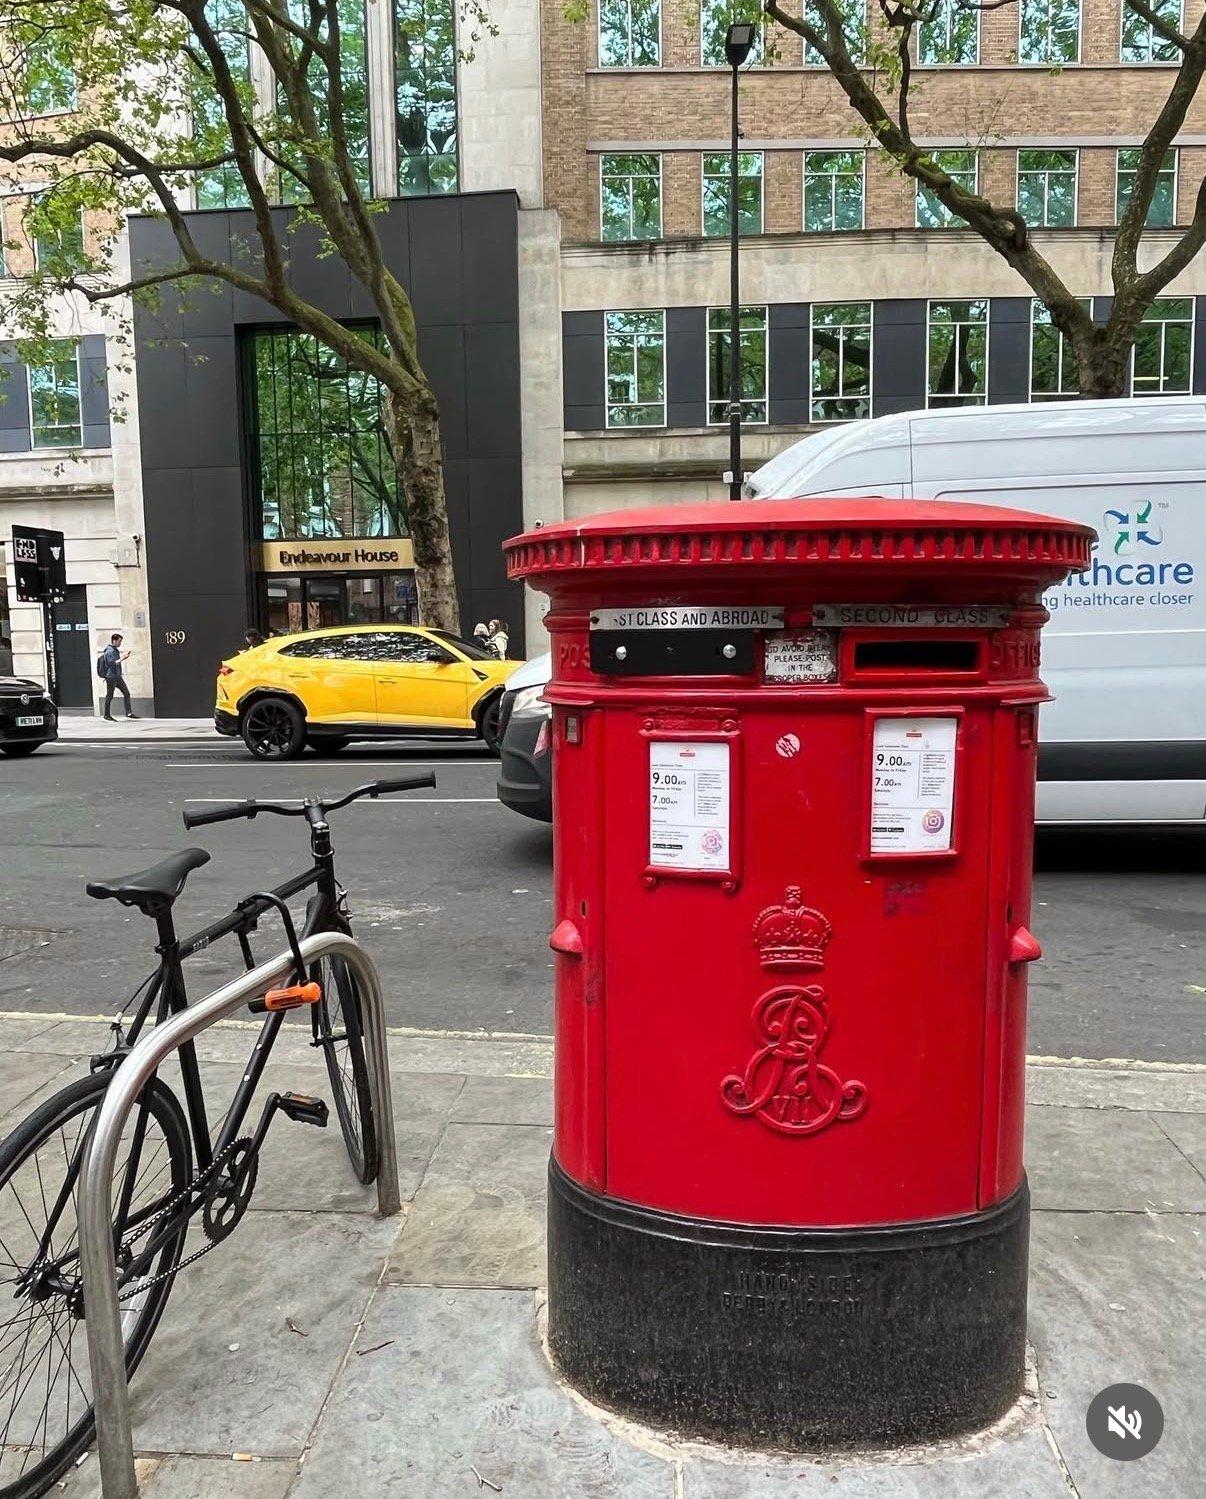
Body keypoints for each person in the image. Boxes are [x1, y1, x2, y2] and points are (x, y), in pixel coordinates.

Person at [100, 632, 137, 720]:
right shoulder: (109, 651)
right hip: (111, 677)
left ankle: (128, 713)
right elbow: (112, 663)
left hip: (117, 676)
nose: (120, 643)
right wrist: (123, 658)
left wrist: (122, 657)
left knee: (126, 693)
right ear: (114, 640)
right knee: (110, 695)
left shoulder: (114, 650)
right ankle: (106, 715)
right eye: (119, 641)